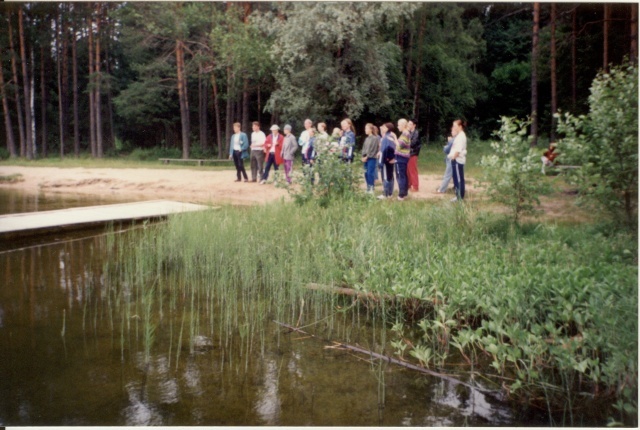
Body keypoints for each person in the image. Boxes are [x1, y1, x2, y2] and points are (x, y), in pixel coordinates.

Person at [447, 119, 468, 201]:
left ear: (460, 126)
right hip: (456, 160)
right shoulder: (459, 135)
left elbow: (458, 150)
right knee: (456, 178)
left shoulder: (461, 136)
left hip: (457, 160)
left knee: (459, 179)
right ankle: (458, 195)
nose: (453, 127)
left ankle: (460, 197)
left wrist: (453, 158)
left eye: (455, 126)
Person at [393, 118, 412, 200]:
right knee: (403, 175)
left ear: (403, 125)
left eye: (398, 125)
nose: (397, 127)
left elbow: (400, 145)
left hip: (401, 157)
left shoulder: (405, 134)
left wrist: (394, 138)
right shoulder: (405, 133)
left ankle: (401, 194)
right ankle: (404, 192)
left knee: (400, 175)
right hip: (402, 157)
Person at [377, 122, 396, 199]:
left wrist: (382, 161)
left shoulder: (386, 138)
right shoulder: (391, 136)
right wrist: (392, 158)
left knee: (385, 177)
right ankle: (390, 193)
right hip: (390, 160)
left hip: (386, 160)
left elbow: (384, 150)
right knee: (390, 176)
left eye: (383, 127)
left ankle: (385, 194)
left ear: (387, 128)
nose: (382, 128)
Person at [361, 123, 380, 193]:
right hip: (365, 158)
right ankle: (368, 187)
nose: (365, 130)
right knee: (365, 173)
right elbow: (363, 148)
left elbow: (373, 149)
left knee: (370, 173)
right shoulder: (366, 139)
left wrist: (367, 156)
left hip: (371, 158)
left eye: (366, 128)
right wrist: (362, 157)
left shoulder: (375, 138)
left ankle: (372, 187)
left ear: (371, 129)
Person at [436, 129, 455, 194]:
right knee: (455, 175)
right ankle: (456, 187)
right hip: (455, 159)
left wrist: (448, 142)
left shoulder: (453, 140)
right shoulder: (458, 139)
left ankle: (442, 189)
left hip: (451, 158)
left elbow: (447, 150)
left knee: (447, 175)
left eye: (452, 131)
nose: (451, 132)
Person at [407, 119, 422, 192]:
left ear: (414, 125)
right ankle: (409, 185)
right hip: (408, 153)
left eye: (410, 124)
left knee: (413, 170)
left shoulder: (416, 133)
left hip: (413, 153)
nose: (408, 125)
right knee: (407, 170)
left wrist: (405, 144)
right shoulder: (408, 132)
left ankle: (415, 186)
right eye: (408, 124)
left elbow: (413, 143)